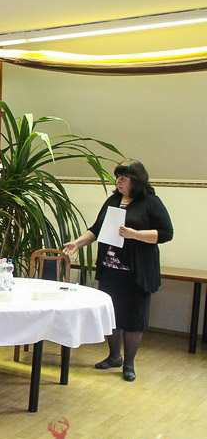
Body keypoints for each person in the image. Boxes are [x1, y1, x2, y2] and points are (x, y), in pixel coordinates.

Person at [63, 160, 173, 382]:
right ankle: (114, 356)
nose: (118, 182)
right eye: (117, 178)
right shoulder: (113, 200)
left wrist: (135, 234)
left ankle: (129, 364)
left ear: (136, 180)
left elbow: (166, 233)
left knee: (134, 319)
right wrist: (77, 243)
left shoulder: (151, 202)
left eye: (123, 178)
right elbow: (96, 229)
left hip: (136, 272)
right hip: (111, 270)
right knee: (112, 316)